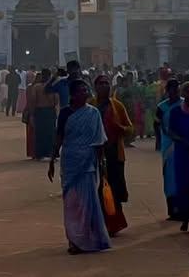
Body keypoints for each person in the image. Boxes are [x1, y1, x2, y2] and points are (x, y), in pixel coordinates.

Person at [48, 78, 110, 255]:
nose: (85, 93)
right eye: (81, 91)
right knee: (72, 204)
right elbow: (59, 137)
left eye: (86, 90)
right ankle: (74, 240)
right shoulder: (65, 113)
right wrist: (53, 159)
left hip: (88, 164)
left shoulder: (93, 113)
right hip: (70, 163)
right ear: (73, 95)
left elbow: (99, 141)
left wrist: (102, 163)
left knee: (87, 204)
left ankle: (88, 238)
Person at [90, 74, 133, 236]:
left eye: (107, 83)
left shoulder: (117, 106)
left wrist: (120, 128)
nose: (105, 86)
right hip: (95, 153)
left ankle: (114, 224)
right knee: (97, 188)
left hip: (114, 152)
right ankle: (98, 223)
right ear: (95, 87)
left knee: (113, 188)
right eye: (101, 83)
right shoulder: (90, 106)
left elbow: (130, 128)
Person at [166, 81, 189, 231]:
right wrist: (183, 140)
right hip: (182, 151)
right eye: (187, 91)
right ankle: (185, 217)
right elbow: (170, 131)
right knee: (183, 183)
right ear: (183, 93)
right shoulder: (176, 111)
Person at [155, 78, 182, 220]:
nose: (175, 93)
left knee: (182, 176)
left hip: (184, 144)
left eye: (177, 90)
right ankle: (172, 209)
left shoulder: (185, 104)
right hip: (168, 145)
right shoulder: (161, 107)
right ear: (167, 91)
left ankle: (184, 208)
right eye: (172, 90)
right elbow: (157, 124)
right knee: (170, 177)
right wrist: (159, 142)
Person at [26, 68, 57, 160]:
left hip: (40, 111)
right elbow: (55, 101)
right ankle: (50, 153)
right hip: (50, 111)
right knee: (51, 133)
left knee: (40, 133)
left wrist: (31, 114)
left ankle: (40, 154)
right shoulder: (53, 86)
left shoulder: (37, 87)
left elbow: (33, 101)